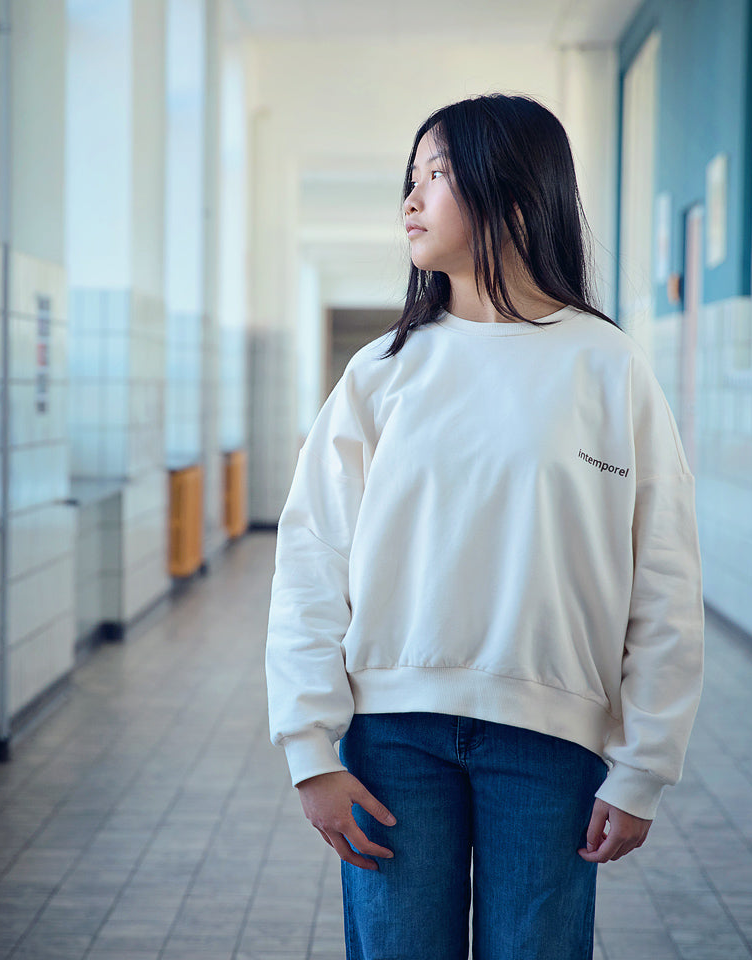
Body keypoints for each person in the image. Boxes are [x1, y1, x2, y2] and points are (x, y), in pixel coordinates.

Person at [264, 93, 705, 960]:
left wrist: (644, 766)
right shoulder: (382, 372)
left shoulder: (607, 367)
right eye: (410, 178)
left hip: (551, 740)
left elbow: (663, 577)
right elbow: (311, 558)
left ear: (512, 192)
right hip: (392, 734)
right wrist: (309, 746)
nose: (411, 199)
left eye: (437, 174)